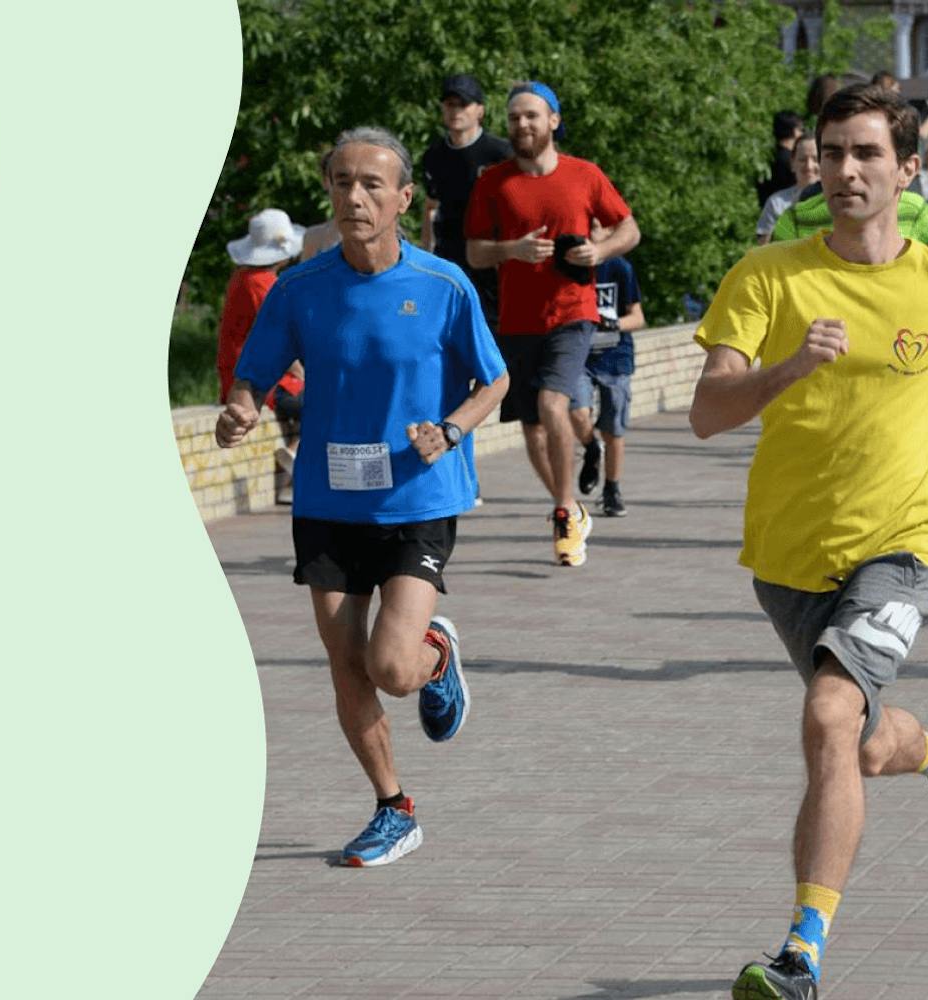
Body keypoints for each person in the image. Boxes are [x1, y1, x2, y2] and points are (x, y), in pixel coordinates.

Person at [690, 86, 928, 1000]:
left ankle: (802, 953)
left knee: (825, 718)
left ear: (907, 169)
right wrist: (789, 367)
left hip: (905, 540)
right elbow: (705, 414)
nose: (846, 170)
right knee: (855, 738)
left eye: (866, 155)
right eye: (833, 153)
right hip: (788, 551)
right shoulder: (767, 274)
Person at [218, 128, 509, 867]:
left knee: (389, 666)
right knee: (345, 665)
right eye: (343, 182)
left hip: (416, 496)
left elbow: (495, 382)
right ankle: (393, 808)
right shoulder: (300, 288)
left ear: (404, 199)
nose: (355, 195)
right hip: (325, 502)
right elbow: (253, 374)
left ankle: (434, 653)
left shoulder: (442, 286)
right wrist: (243, 406)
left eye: (372, 184)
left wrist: (451, 428)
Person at [466, 82, 640, 567]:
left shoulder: (585, 175)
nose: (522, 125)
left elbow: (629, 228)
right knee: (532, 430)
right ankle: (571, 506)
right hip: (517, 321)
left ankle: (563, 510)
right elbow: (475, 251)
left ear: (553, 121)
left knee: (551, 402)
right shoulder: (494, 183)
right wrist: (511, 251)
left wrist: (599, 251)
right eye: (515, 117)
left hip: (572, 312)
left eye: (532, 116)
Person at [218, 209, 312, 503]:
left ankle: (289, 480)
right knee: (324, 404)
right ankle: (294, 454)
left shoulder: (244, 277)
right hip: (258, 379)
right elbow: (276, 342)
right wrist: (303, 372)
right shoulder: (263, 284)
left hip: (242, 372)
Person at [421, 74, 516, 321]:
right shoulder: (434, 155)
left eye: (463, 104)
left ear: (480, 110)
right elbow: (431, 208)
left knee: (494, 330)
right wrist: (426, 259)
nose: (455, 111)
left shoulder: (501, 153)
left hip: (491, 258)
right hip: (449, 256)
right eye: (450, 104)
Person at [575, 254, 645, 516]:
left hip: (615, 358)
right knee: (576, 412)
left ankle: (612, 490)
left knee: (613, 428)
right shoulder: (569, 264)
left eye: (598, 226)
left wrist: (613, 323)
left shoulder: (619, 267)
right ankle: (592, 450)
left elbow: (637, 317)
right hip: (578, 356)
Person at [758, 134, 819, 244]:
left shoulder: (839, 200)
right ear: (792, 164)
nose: (809, 166)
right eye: (802, 160)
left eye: (815, 159)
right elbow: (764, 246)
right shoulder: (776, 203)